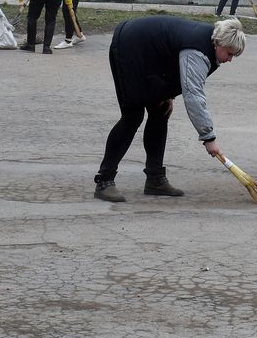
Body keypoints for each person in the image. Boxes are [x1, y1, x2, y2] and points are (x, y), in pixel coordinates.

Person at [93, 16, 247, 202]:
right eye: (230, 54)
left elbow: (176, 62)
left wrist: (168, 94)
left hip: (152, 55)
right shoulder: (197, 51)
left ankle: (155, 179)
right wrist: (208, 137)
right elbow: (194, 95)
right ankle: (105, 180)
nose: (230, 60)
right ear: (219, 43)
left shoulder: (209, 45)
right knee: (132, 116)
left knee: (160, 111)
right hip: (130, 47)